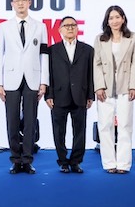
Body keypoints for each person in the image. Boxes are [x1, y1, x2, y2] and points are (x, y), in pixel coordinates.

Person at [0, 0, 49, 174]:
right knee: (12, 120)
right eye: (16, 1)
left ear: (29, 2)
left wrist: (44, 82)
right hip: (10, 78)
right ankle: (15, 160)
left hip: (33, 78)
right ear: (12, 4)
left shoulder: (40, 27)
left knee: (30, 121)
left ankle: (27, 159)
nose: (20, 3)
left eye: (23, 0)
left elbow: (44, 55)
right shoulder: (3, 27)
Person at [93, 5, 135, 174]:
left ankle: (123, 164)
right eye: (111, 18)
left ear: (123, 18)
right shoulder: (100, 39)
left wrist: (134, 85)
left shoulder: (133, 37)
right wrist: (99, 86)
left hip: (125, 86)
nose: (114, 21)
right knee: (105, 125)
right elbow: (97, 64)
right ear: (107, 21)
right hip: (105, 87)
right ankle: (109, 163)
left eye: (117, 17)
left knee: (125, 125)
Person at [46, 16, 93, 174]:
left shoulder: (87, 50)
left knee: (80, 131)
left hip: (80, 95)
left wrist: (90, 95)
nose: (70, 28)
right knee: (59, 131)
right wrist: (48, 95)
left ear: (78, 28)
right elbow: (48, 74)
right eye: (66, 26)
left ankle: (76, 162)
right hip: (58, 96)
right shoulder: (52, 50)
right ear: (60, 30)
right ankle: (63, 161)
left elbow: (90, 74)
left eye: (73, 25)